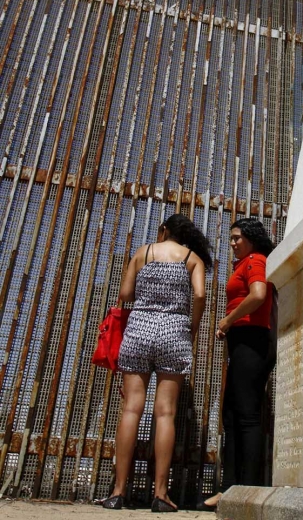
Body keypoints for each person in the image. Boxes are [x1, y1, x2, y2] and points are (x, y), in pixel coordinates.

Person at [102, 214, 212, 512]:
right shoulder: (193, 259)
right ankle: (161, 495)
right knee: (165, 414)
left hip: (138, 329)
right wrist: (193, 325)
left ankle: (118, 492)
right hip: (174, 332)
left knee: (131, 409)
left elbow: (125, 294)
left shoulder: (144, 252)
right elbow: (200, 294)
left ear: (164, 231)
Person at [204, 218, 276, 509]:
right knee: (232, 416)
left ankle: (247, 491)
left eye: (237, 238)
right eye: (231, 238)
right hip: (242, 341)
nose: (232, 242)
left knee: (246, 415)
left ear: (251, 239)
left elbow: (258, 295)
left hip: (254, 340)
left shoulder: (255, 260)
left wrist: (227, 320)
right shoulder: (242, 264)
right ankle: (230, 489)